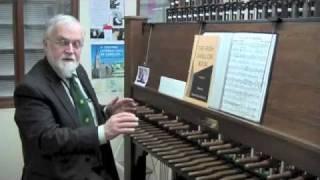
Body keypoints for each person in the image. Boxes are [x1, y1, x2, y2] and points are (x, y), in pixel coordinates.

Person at [14, 14, 139, 180]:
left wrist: (106, 111)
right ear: (46, 44)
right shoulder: (30, 88)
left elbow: (78, 113)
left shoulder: (77, 70)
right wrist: (103, 132)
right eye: (63, 42)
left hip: (98, 168)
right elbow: (48, 138)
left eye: (77, 44)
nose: (70, 50)